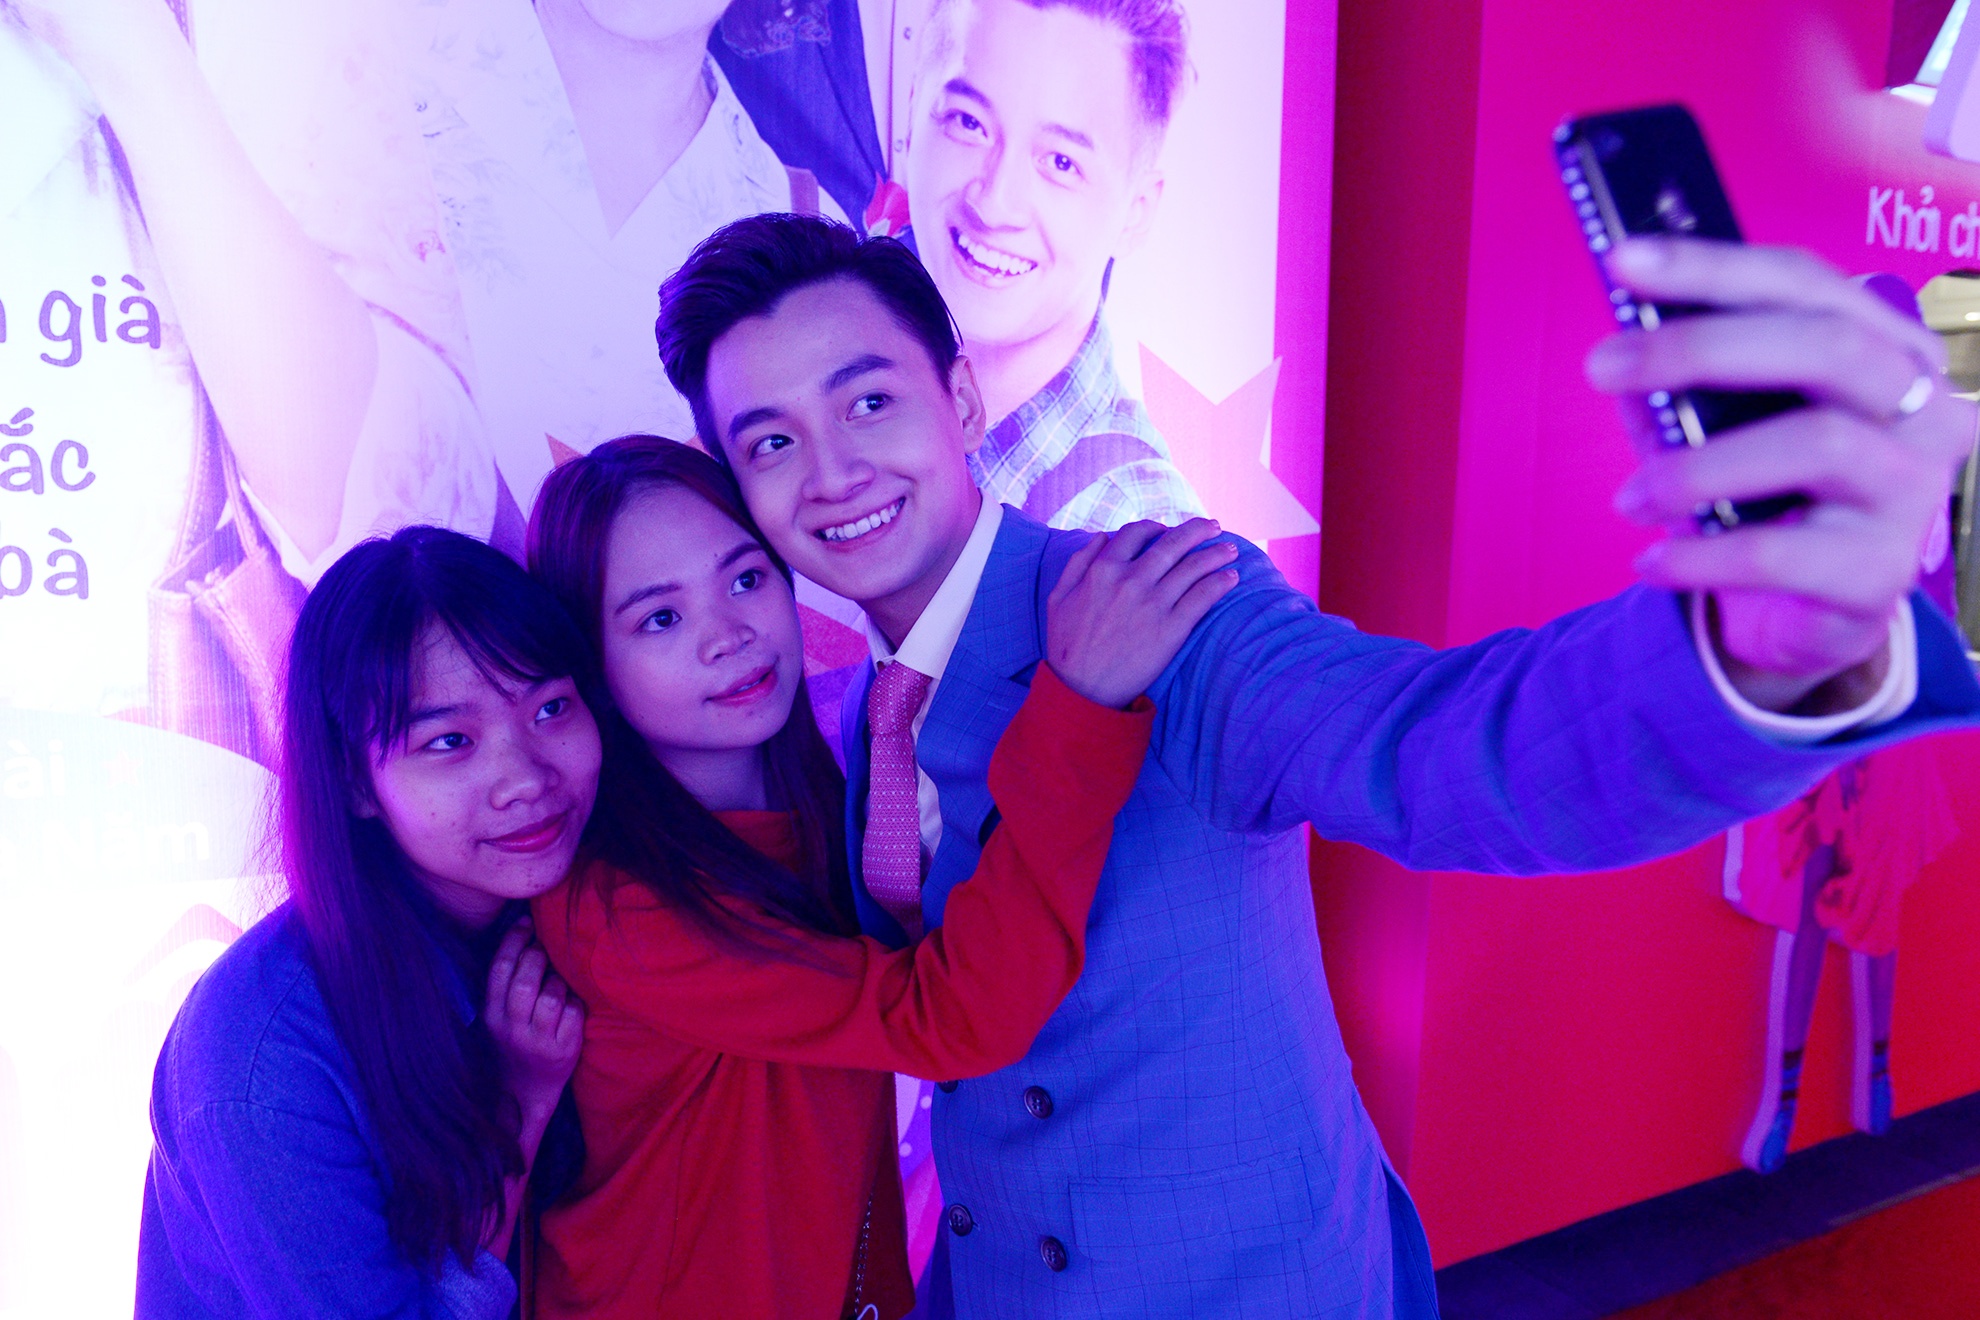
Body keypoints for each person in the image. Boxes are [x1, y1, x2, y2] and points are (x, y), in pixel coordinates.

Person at [653, 213, 1980, 1317]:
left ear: (957, 396)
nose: (831, 471)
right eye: (770, 441)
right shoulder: (847, 715)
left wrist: (1754, 655)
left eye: (868, 400)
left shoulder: (1162, 602)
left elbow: (1445, 748)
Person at [519, 436, 1228, 1317]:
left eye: (746, 579)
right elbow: (953, 1018)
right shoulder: (618, 907)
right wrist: (1080, 702)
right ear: (590, 665)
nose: (730, 635)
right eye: (660, 619)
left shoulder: (836, 785)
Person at [135, 528, 598, 1317]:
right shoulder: (261, 1060)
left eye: (550, 708)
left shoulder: (581, 919)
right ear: (355, 783)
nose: (525, 777)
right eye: (450, 742)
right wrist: (519, 1105)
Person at [899, 0, 1204, 529]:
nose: (994, 203)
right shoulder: (817, 376)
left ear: (1136, 211)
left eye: (1061, 162)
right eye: (969, 123)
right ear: (913, 108)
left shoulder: (1133, 537)